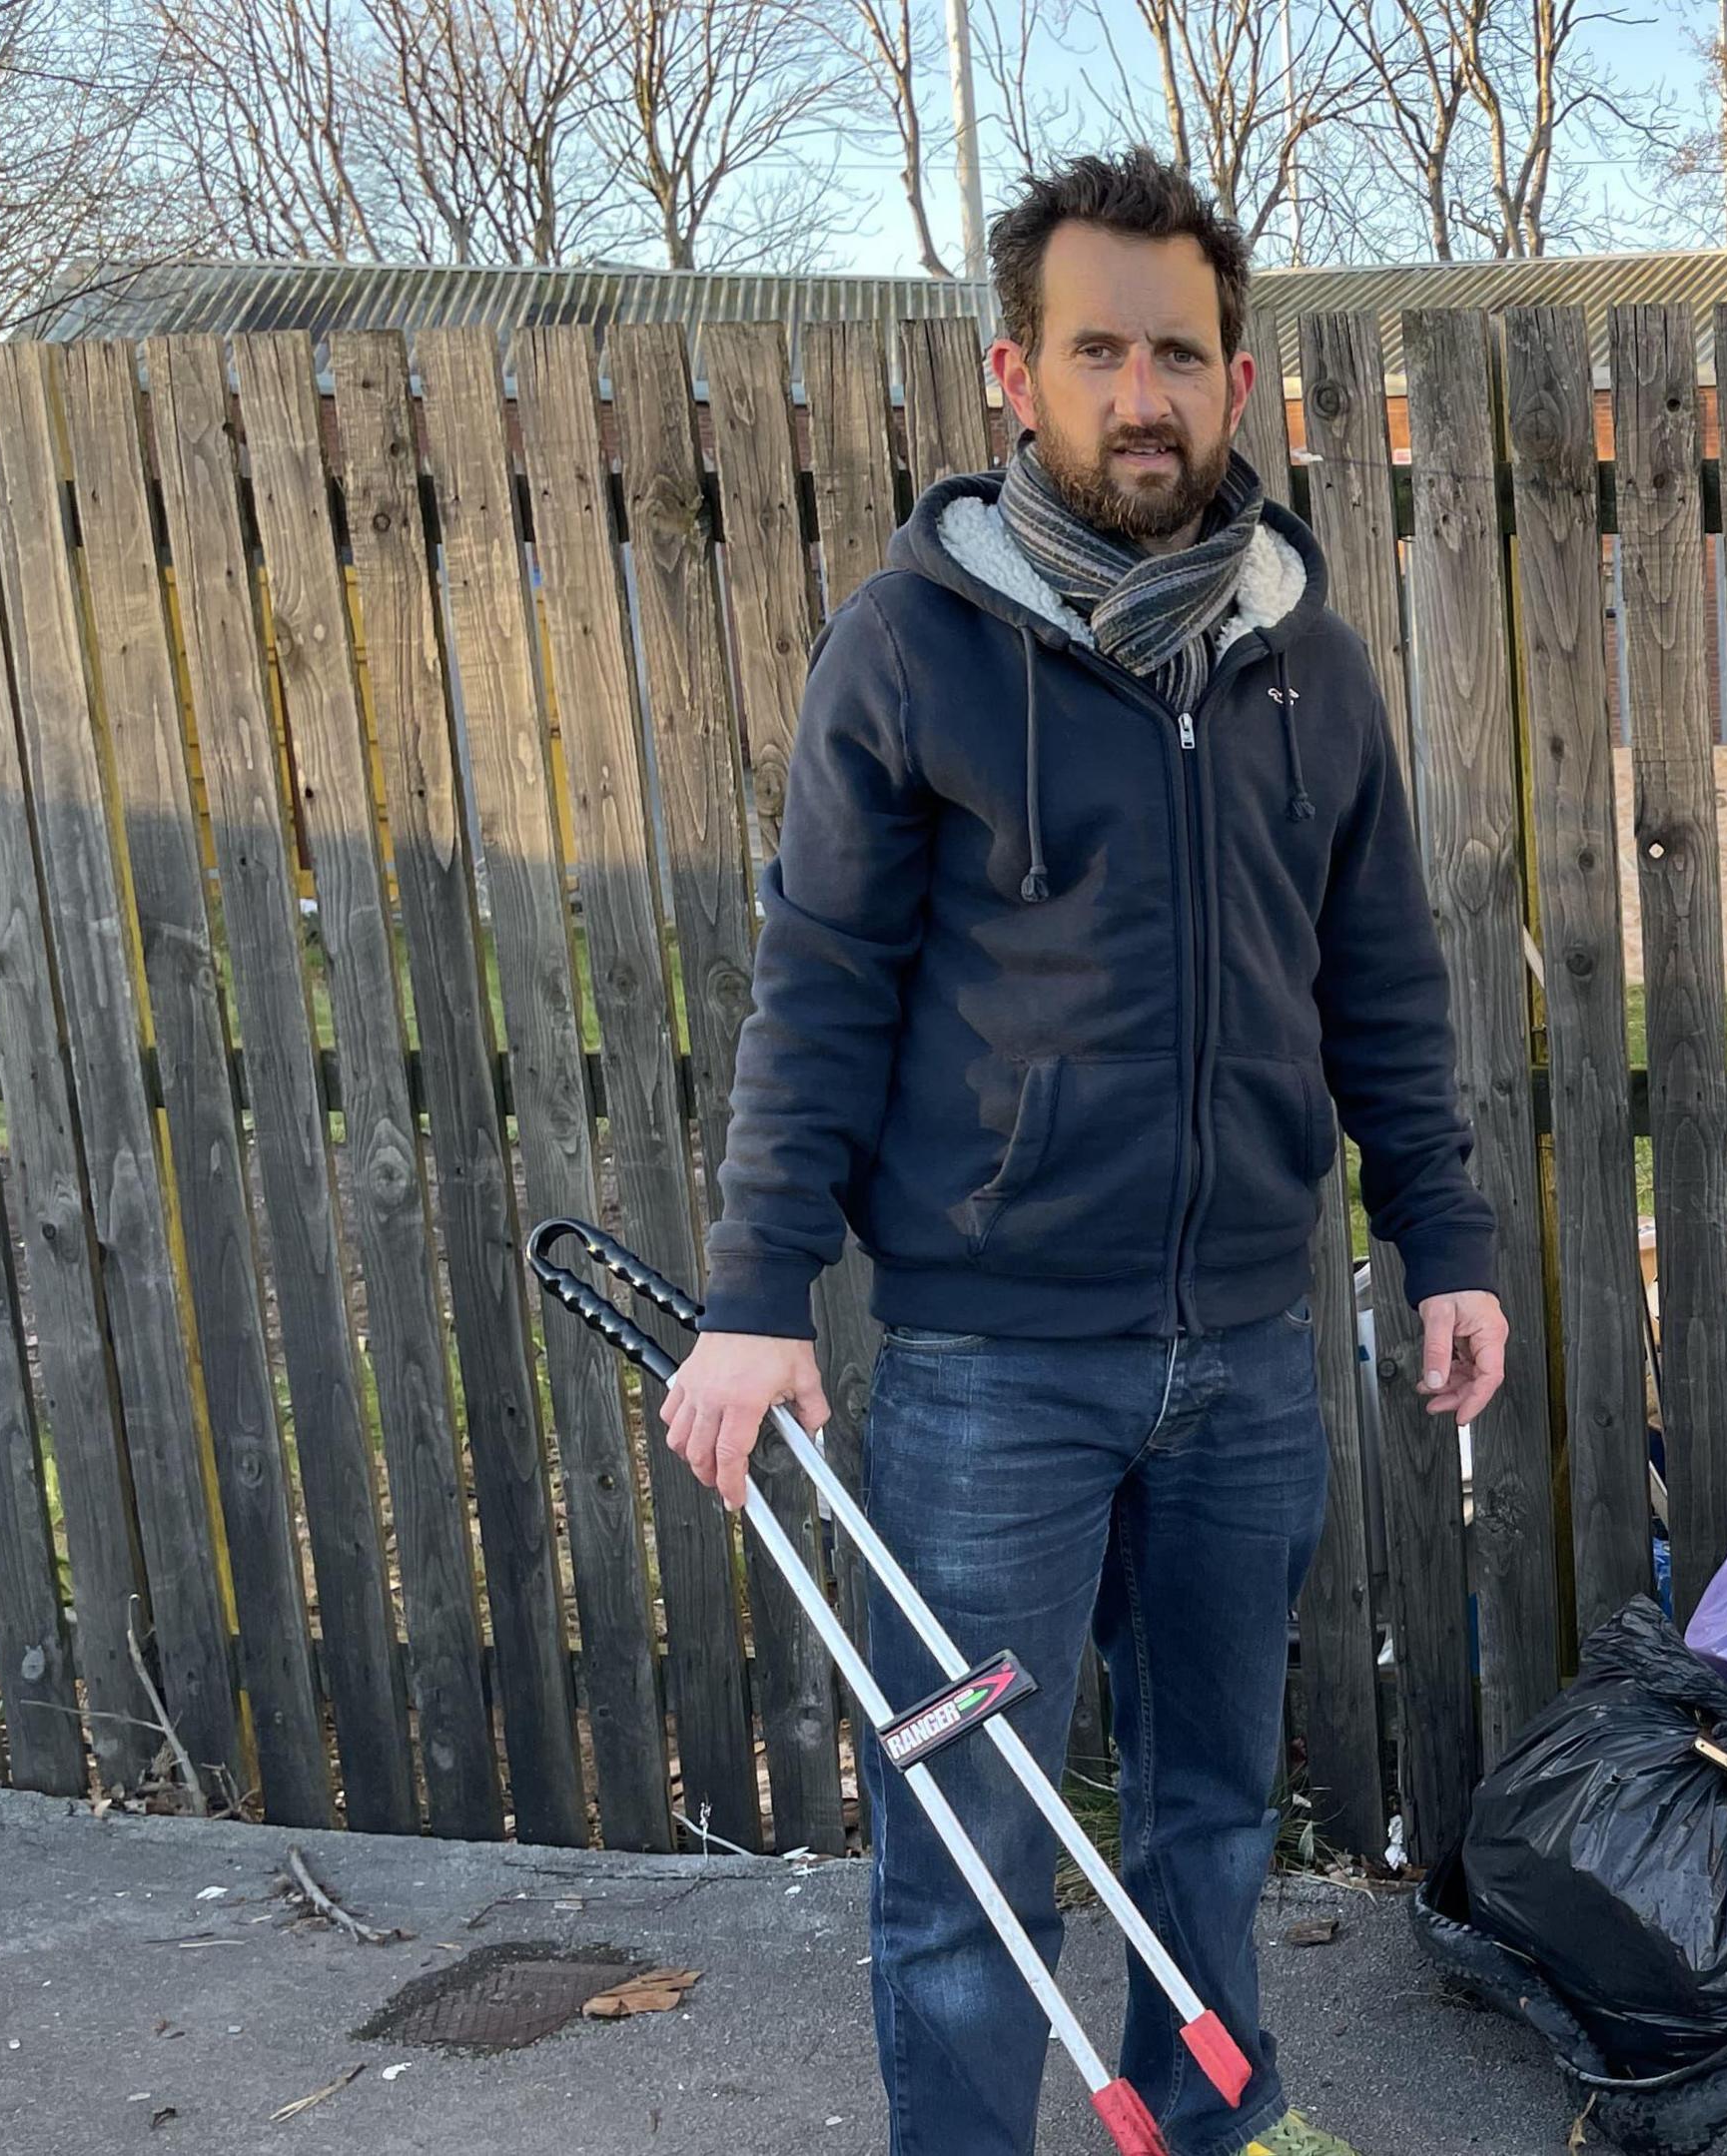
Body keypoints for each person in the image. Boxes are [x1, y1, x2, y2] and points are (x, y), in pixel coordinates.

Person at [664, 150, 1502, 2156]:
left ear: (1237, 382)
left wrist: (1441, 1234)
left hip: (1245, 1352)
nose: (1146, 391)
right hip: (992, 1371)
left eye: (1182, 353)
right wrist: (761, 1291)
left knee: (1214, 1815)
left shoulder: (1310, 661)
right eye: (1099, 347)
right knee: (964, 1866)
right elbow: (826, 980)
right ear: (1012, 375)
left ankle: (1208, 2129)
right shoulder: (915, 646)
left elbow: (1379, 978)